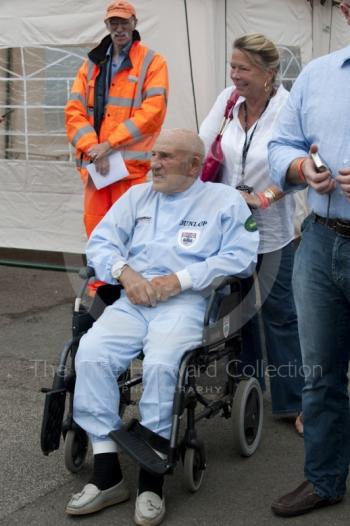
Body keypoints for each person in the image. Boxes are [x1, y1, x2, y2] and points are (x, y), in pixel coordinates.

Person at [65, 129, 259, 525]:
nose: (154, 163)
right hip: (134, 299)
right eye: (154, 155)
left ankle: (151, 481)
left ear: (193, 164)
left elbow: (241, 259)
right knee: (92, 354)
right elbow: (101, 243)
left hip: (185, 303)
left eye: (166, 156)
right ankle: (107, 475)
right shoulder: (137, 196)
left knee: (162, 364)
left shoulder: (223, 201)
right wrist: (126, 273)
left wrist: (180, 280)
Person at [268, 2, 350, 517]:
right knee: (320, 374)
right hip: (320, 241)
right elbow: (281, 144)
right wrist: (300, 166)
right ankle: (324, 479)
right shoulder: (317, 75)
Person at [200, 33, 304, 434]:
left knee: (281, 316)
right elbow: (204, 142)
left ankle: (292, 400)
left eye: (243, 68)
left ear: (268, 73)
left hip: (274, 229)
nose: (235, 74)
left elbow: (303, 162)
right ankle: (248, 386)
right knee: (238, 312)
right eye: (233, 66)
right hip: (229, 230)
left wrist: (266, 196)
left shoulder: (288, 106)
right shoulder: (228, 100)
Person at [65, 1, 168, 237]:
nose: (119, 28)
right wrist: (93, 148)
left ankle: (124, 276)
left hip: (129, 170)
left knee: (130, 234)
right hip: (97, 168)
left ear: (134, 23)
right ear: (106, 25)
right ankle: (99, 276)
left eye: (124, 22)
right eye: (114, 23)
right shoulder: (91, 63)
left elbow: (153, 112)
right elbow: (74, 112)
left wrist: (108, 146)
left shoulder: (153, 62)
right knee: (97, 231)